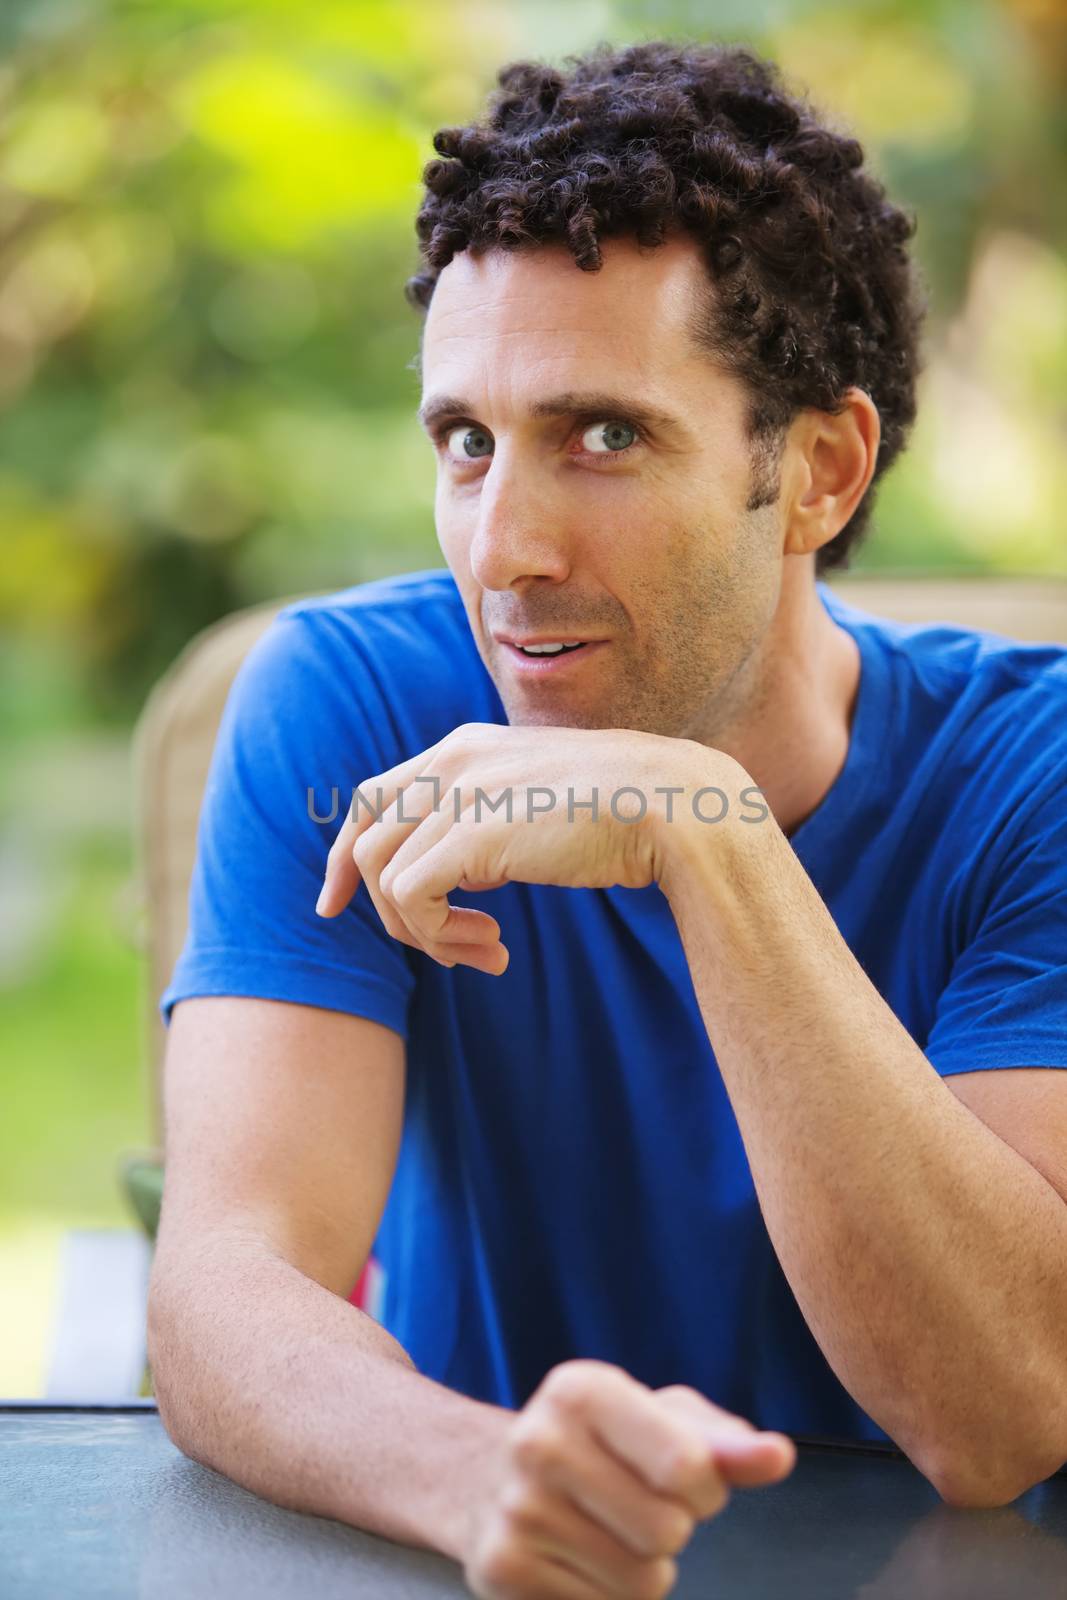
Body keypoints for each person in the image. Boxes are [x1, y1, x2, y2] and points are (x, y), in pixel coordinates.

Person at [148, 37, 1067, 1600]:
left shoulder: (1032, 772)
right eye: (467, 443)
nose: (503, 547)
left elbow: (1001, 1416)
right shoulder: (350, 702)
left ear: (823, 468)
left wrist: (708, 836)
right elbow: (221, 1287)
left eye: (606, 435)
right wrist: (473, 1471)